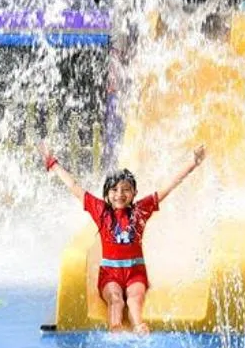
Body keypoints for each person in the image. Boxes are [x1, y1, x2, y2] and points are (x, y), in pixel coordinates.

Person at [43, 143, 205, 335]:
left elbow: (167, 187)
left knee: (135, 298)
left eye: (126, 189)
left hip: (135, 272)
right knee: (115, 298)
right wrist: (53, 164)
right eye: (114, 190)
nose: (120, 194)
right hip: (110, 274)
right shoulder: (101, 211)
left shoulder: (140, 211)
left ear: (134, 193)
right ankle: (115, 325)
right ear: (107, 194)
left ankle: (138, 325)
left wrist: (193, 163)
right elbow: (74, 186)